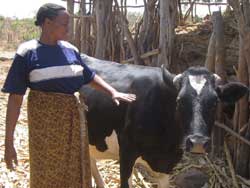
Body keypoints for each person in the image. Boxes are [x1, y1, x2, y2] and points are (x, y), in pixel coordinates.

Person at [2, 3, 136, 188]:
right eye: (64, 24)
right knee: (46, 172)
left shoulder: (70, 50)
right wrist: (9, 142)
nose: (69, 28)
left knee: (76, 170)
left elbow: (88, 76)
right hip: (45, 130)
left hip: (74, 125)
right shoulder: (27, 52)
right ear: (48, 23)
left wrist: (112, 91)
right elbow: (15, 99)